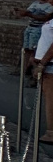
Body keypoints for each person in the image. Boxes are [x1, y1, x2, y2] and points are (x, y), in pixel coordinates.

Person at [14, 0, 53, 83]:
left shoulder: (49, 6)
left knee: (34, 52)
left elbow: (45, 17)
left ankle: (34, 75)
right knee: (26, 49)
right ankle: (25, 69)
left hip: (38, 29)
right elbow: (27, 13)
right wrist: (20, 12)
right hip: (30, 27)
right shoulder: (35, 3)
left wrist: (29, 15)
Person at [34, 16, 53, 144]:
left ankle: (51, 132)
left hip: (50, 65)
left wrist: (42, 63)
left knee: (50, 98)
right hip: (47, 62)